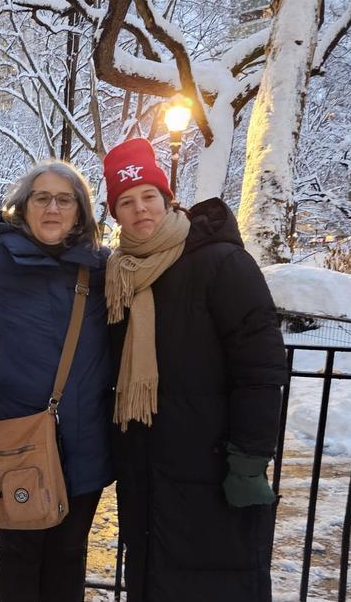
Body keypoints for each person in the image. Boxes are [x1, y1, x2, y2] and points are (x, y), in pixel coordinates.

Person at [104, 138, 287, 601]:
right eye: (126, 202)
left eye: (149, 196)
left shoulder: (223, 264)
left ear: (168, 199)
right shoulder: (122, 275)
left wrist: (247, 460)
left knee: (215, 582)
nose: (140, 210)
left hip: (212, 469)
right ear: (115, 213)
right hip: (148, 471)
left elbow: (261, 371)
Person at [0, 160, 115, 601]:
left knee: (70, 555)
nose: (53, 208)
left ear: (80, 211)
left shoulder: (102, 268)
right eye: (42, 198)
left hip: (84, 439)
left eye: (64, 199)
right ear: (23, 206)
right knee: (19, 555)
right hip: (15, 441)